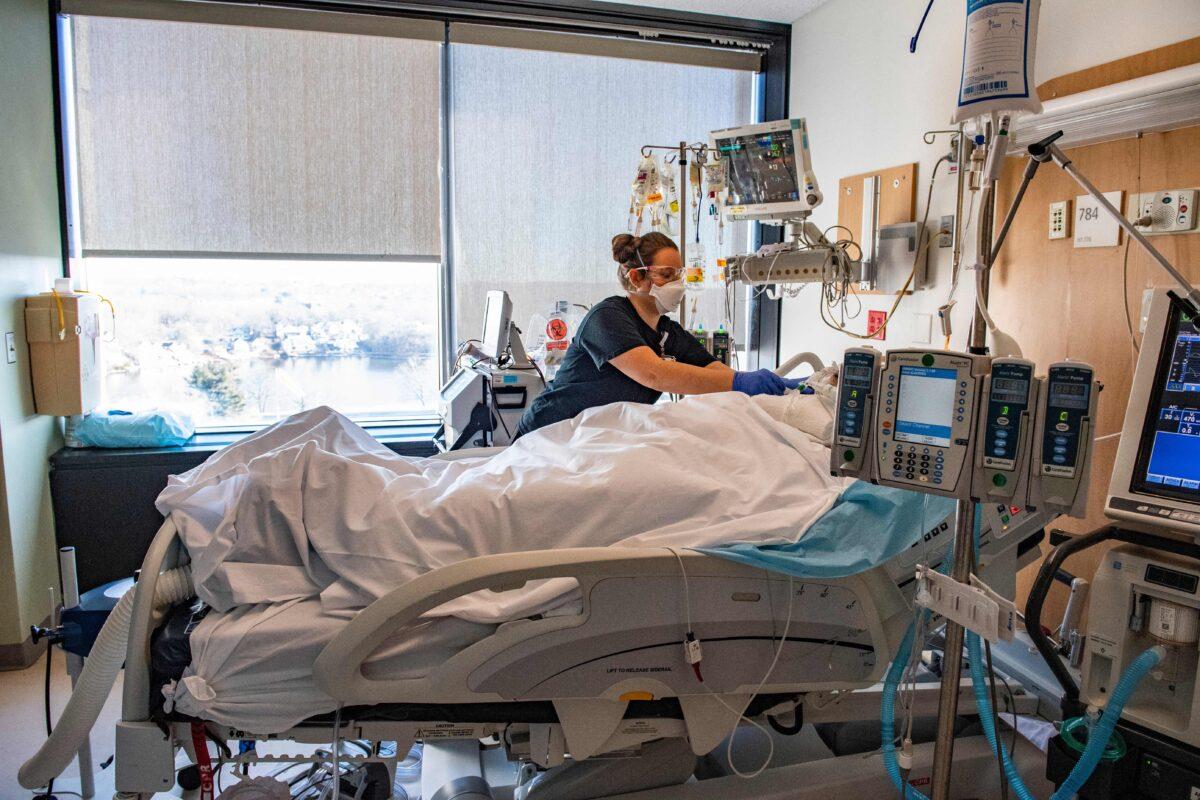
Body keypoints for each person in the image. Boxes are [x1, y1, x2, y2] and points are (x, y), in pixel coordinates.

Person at [515, 232, 800, 438]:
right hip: (551, 433)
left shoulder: (665, 330)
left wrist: (767, 388)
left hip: (597, 438)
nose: (677, 284)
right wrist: (739, 382)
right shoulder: (607, 318)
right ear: (637, 277)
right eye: (666, 275)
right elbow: (654, 374)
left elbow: (712, 369)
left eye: (679, 274)